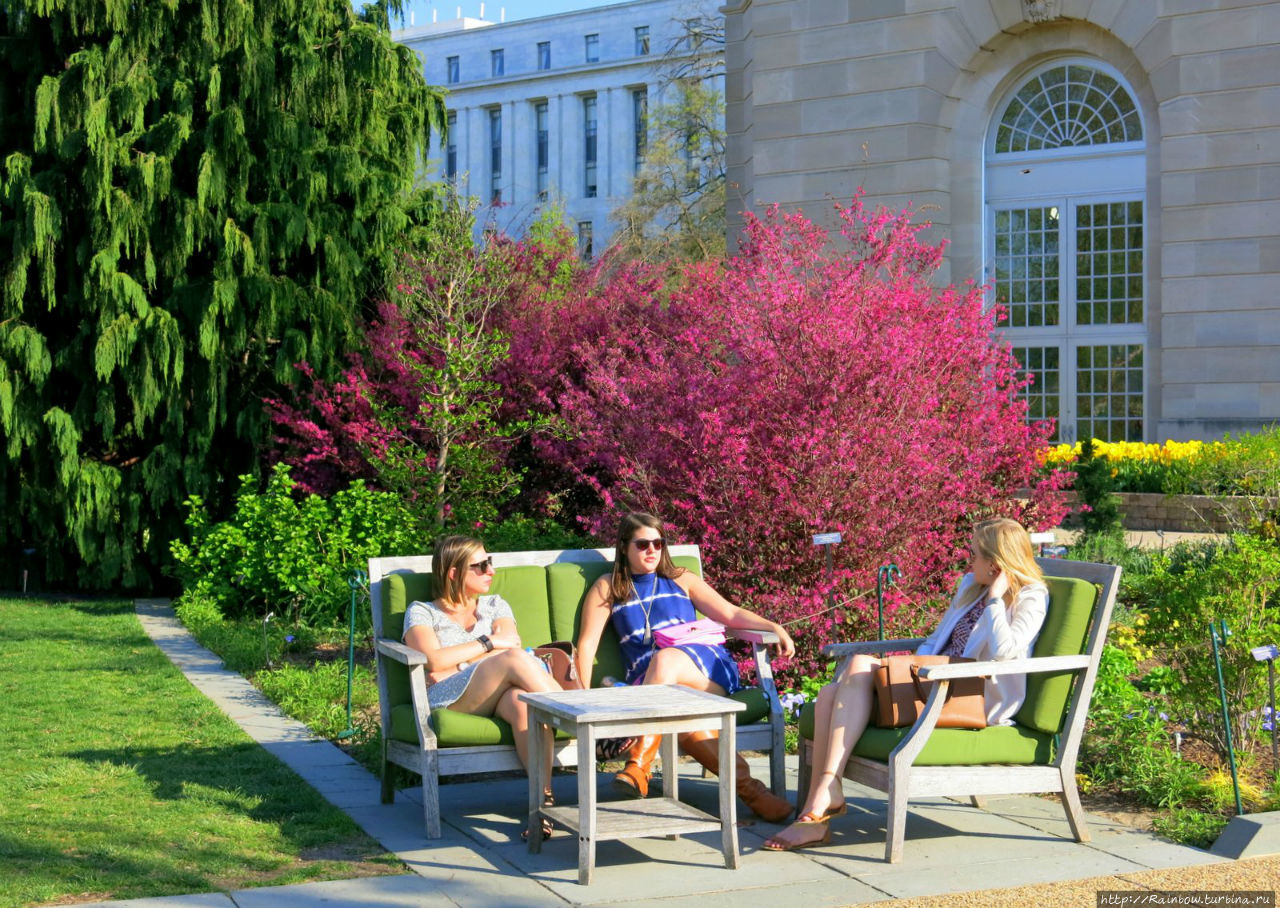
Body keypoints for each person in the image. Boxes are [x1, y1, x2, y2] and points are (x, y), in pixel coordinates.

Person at [763, 517, 1049, 851]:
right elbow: (935, 641)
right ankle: (818, 809)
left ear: (996, 564)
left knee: (853, 669)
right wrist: (906, 666)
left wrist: (997, 600)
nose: (969, 561)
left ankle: (820, 806)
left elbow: (1005, 653)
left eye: (975, 555)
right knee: (828, 693)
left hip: (970, 694)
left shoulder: (1031, 596)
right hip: (931, 679)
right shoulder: (972, 587)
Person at [574, 512, 796, 823]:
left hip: (705, 669)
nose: (652, 550)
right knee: (682, 716)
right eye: (642, 544)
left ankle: (639, 763)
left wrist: (773, 626)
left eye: (658, 543)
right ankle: (753, 793)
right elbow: (586, 646)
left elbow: (730, 614)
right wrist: (582, 702)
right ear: (624, 547)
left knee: (664, 659)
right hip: (652, 687)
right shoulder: (608, 587)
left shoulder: (681, 578)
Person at [402, 534, 562, 839]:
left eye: (490, 562)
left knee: (522, 703)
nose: (491, 570)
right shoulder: (422, 611)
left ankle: (542, 805)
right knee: (514, 660)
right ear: (454, 572)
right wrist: (488, 643)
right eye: (481, 565)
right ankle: (578, 713)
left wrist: (460, 663)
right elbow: (434, 662)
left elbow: (511, 643)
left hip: (495, 690)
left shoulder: (494, 604)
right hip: (449, 697)